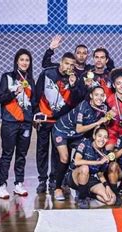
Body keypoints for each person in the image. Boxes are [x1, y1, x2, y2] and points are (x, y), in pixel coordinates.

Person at [52, 86, 111, 200]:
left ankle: (79, 185)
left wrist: (108, 119)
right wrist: (98, 122)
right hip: (62, 130)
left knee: (85, 150)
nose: (99, 97)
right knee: (64, 158)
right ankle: (58, 188)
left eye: (101, 95)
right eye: (96, 95)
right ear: (91, 96)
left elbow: (109, 116)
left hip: (76, 134)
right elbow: (79, 129)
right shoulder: (84, 106)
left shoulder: (103, 107)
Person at [33, 52, 80, 194]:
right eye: (67, 63)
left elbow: (75, 101)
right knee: (42, 151)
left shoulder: (74, 79)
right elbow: (36, 94)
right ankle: (42, 180)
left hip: (60, 123)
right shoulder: (47, 73)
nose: (69, 67)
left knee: (57, 152)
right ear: (61, 62)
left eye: (72, 65)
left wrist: (73, 86)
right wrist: (36, 114)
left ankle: (54, 179)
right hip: (44, 120)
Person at [0, 48, 36, 199]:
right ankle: (2, 186)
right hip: (10, 122)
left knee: (22, 155)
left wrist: (34, 118)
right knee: (7, 154)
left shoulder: (31, 80)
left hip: (26, 123)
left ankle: (18, 184)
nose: (25, 62)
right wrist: (15, 92)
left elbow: (34, 102)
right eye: (22, 60)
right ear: (16, 61)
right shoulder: (7, 77)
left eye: (27, 60)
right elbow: (0, 98)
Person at [66, 126, 117, 208]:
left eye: (105, 137)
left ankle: (86, 193)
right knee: (85, 168)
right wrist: (98, 162)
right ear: (94, 136)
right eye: (99, 136)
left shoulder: (104, 152)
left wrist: (107, 186)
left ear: (107, 140)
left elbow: (100, 173)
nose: (102, 139)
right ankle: (81, 198)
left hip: (91, 179)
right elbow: (77, 161)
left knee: (111, 200)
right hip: (75, 176)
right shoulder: (85, 143)